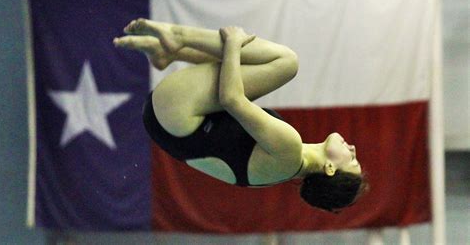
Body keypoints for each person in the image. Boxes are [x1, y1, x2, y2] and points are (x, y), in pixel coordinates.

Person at [113, 19, 367, 213]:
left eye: (352, 161)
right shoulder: (285, 167)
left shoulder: (290, 149)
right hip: (169, 123)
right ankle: (172, 51)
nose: (353, 149)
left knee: (286, 62)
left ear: (330, 168)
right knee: (249, 67)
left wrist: (233, 44)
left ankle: (178, 38)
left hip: (177, 113)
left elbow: (231, 99)